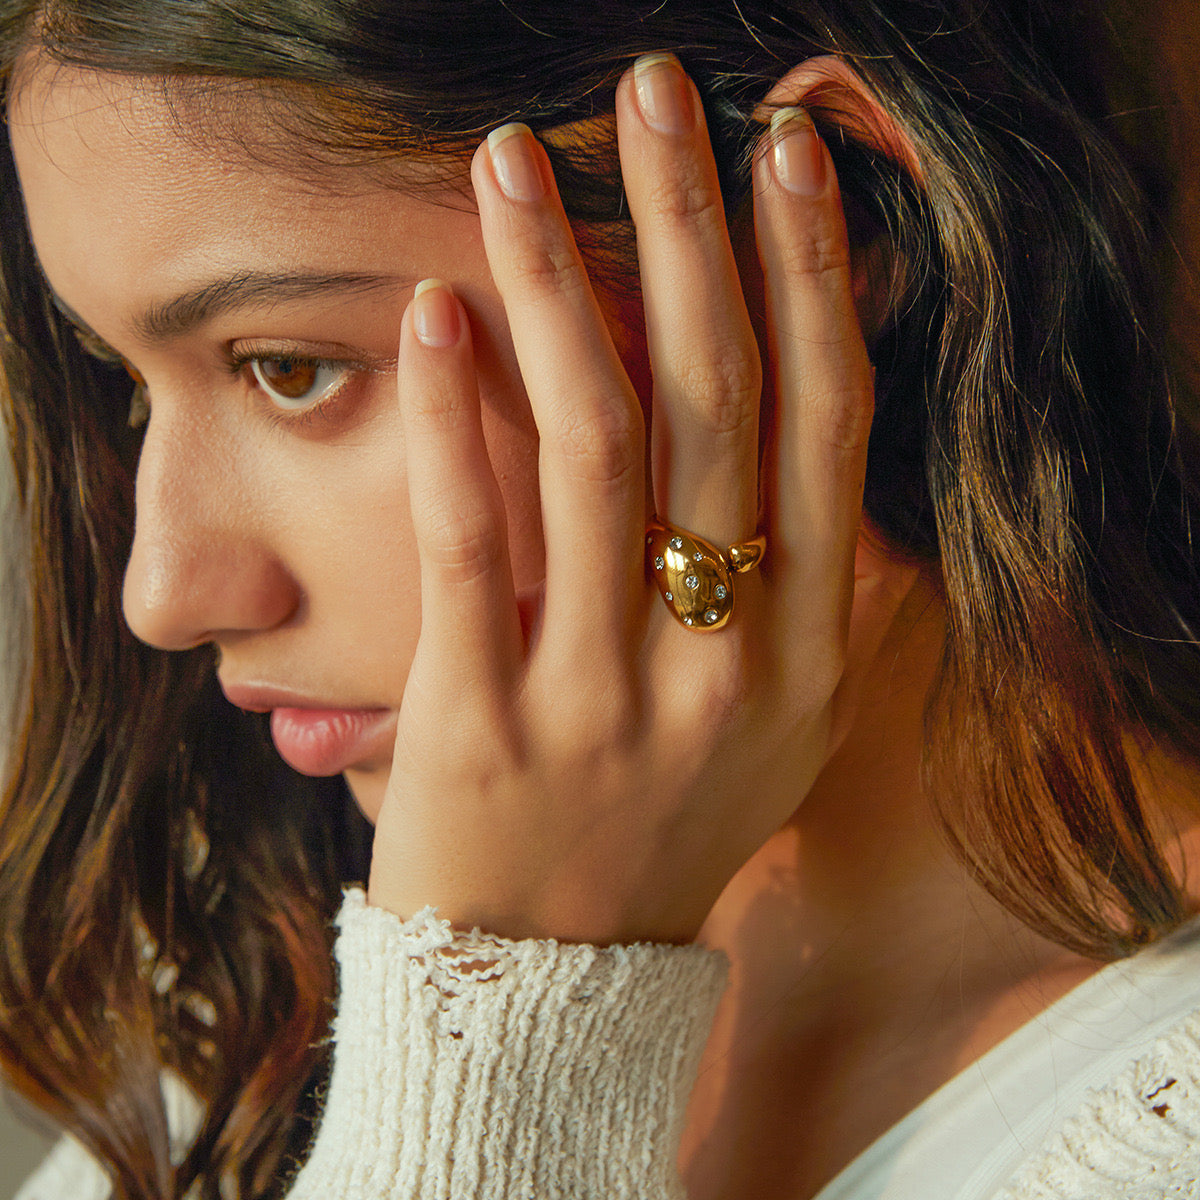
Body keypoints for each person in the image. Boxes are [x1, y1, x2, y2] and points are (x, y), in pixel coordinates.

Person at [1, 1, 1199, 1197]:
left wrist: (502, 1011)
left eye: (293, 371)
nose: (164, 593)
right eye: (128, 384)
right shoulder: (246, 1025)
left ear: (828, 215)